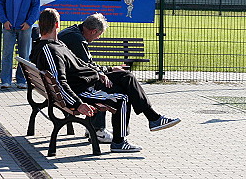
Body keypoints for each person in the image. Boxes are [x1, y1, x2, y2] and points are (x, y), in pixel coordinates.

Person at [31, 8, 181, 153]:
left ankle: (151, 120)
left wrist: (107, 71)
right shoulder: (49, 49)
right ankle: (121, 140)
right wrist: (78, 104)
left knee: (126, 78)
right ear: (57, 24)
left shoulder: (57, 44)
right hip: (84, 89)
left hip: (89, 81)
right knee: (122, 96)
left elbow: (82, 64)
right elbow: (59, 82)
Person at [58, 13, 121, 143]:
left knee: (98, 80)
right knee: (101, 86)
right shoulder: (77, 40)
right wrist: (105, 72)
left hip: (60, 85)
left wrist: (107, 70)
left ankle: (93, 127)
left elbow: (87, 65)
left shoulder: (73, 32)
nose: (98, 38)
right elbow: (88, 67)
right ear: (93, 31)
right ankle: (98, 130)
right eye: (99, 35)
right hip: (71, 88)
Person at [0, 0, 41, 89]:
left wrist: (29, 23)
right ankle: (6, 81)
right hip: (9, 27)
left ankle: (22, 80)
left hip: (25, 28)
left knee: (24, 55)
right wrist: (4, 21)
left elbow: (35, 7)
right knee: (7, 54)